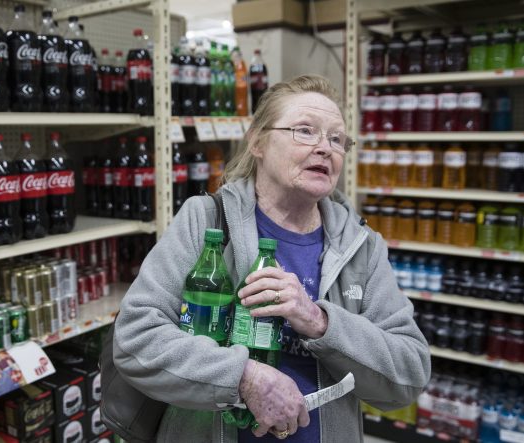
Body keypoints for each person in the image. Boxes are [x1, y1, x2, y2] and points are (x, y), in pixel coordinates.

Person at [113, 74, 431, 442]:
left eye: (337, 139)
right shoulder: (205, 221)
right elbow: (136, 337)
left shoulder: (362, 247)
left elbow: (410, 372)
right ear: (258, 142)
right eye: (305, 131)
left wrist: (318, 320)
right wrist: (243, 377)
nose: (325, 148)